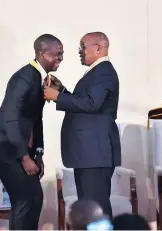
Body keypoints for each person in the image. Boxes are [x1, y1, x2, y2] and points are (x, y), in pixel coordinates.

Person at [0, 34, 64, 230]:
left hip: (15, 145)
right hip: (1, 145)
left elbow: (36, 118)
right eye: (57, 54)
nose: (60, 58)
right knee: (24, 197)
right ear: (42, 53)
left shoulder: (41, 78)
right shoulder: (24, 77)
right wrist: (25, 157)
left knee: (35, 196)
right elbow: (11, 118)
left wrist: (39, 153)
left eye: (62, 54)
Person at [44, 32, 121, 218]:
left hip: (95, 153)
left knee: (96, 209)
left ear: (98, 48)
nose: (79, 52)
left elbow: (92, 104)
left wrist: (58, 97)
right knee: (89, 208)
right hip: (89, 154)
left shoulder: (103, 71)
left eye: (82, 47)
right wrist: (61, 90)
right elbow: (86, 101)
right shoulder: (96, 71)